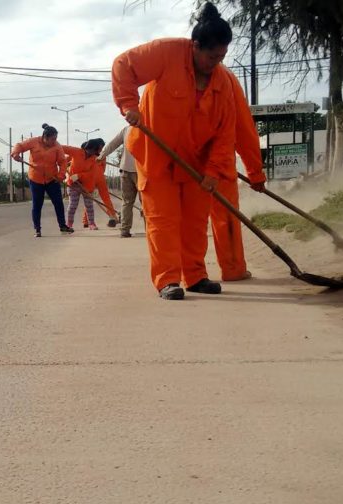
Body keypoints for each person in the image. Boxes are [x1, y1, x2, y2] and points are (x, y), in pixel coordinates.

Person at [111, 2, 238, 300]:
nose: (215, 63)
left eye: (221, 57)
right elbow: (123, 65)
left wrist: (212, 172)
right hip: (156, 155)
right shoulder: (167, 53)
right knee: (163, 220)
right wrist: (129, 104)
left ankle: (195, 276)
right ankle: (168, 280)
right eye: (211, 56)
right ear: (195, 46)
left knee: (195, 221)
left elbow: (225, 133)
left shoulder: (222, 83)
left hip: (196, 161)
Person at [211, 74, 266, 282]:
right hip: (218, 161)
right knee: (225, 216)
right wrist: (255, 173)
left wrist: (255, 172)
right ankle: (232, 268)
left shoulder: (172, 72)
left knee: (184, 219)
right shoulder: (225, 77)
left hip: (185, 160)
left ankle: (189, 275)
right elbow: (243, 127)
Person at [11, 124, 75, 237]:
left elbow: (62, 162)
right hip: (36, 179)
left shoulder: (57, 146)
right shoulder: (34, 141)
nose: (54, 141)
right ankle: (37, 229)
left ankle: (63, 226)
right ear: (45, 137)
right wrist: (15, 153)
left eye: (56, 139)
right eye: (52, 139)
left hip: (52, 179)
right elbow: (19, 145)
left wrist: (61, 175)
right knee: (37, 205)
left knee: (58, 203)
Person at [99, 125, 139, 238]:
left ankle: (124, 230)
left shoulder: (126, 129)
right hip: (141, 170)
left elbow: (113, 144)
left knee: (127, 202)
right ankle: (150, 230)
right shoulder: (146, 127)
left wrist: (102, 155)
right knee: (146, 202)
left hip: (125, 169)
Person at [61, 138, 109, 230]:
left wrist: (79, 175)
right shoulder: (77, 152)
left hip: (87, 184)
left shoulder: (95, 159)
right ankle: (69, 224)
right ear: (90, 148)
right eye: (95, 150)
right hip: (73, 184)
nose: (95, 152)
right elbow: (61, 148)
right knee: (72, 205)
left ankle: (92, 224)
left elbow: (92, 174)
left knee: (89, 205)